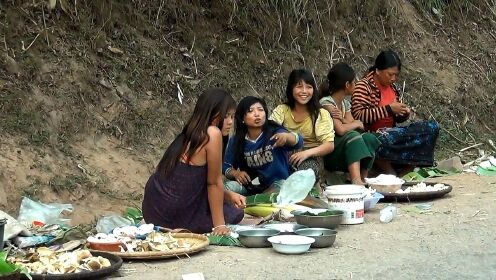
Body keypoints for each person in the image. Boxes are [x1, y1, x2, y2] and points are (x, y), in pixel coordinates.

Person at [142, 88, 244, 235]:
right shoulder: (212, 133)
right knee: (234, 213)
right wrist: (219, 226)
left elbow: (193, 183)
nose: (229, 122)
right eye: (226, 116)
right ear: (212, 112)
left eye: (232, 117)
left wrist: (228, 195)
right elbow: (213, 183)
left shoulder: (190, 132)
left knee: (225, 205)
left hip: (153, 210)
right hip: (174, 213)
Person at [352, 50, 439, 175]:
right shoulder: (363, 86)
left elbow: (395, 118)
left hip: (392, 134)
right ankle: (389, 170)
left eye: (396, 75)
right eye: (390, 74)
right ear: (377, 70)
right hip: (373, 136)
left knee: (431, 127)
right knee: (377, 140)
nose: (393, 78)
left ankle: (406, 170)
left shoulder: (392, 88)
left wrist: (402, 114)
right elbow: (359, 115)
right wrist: (388, 109)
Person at [223, 96, 303, 195]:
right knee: (226, 188)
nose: (257, 114)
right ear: (242, 118)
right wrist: (236, 173)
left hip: (277, 185)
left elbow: (299, 141)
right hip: (250, 186)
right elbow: (225, 166)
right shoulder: (236, 140)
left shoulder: (274, 131)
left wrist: (287, 137)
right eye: (250, 111)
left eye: (260, 110)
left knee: (281, 187)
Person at [270, 68, 335, 188]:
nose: (304, 91)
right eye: (299, 86)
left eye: (309, 87)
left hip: (311, 158)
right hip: (283, 157)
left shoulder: (320, 114)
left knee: (303, 175)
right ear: (291, 88)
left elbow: (329, 145)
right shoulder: (282, 110)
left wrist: (306, 153)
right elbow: (269, 131)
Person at [319, 62, 381, 185]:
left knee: (369, 138)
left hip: (343, 145)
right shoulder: (327, 102)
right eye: (354, 82)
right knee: (354, 136)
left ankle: (364, 178)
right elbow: (341, 130)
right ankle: (355, 179)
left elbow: (353, 123)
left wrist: (348, 122)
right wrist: (353, 123)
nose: (356, 84)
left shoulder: (344, 104)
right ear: (347, 85)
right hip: (332, 149)